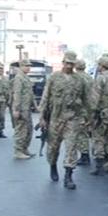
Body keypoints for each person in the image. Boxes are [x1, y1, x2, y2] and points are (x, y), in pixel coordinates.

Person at [39, 51, 88, 189]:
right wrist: (42, 117)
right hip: (55, 118)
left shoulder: (79, 80)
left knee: (71, 146)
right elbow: (45, 97)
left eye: (71, 63)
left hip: (72, 118)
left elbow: (86, 99)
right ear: (63, 62)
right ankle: (53, 165)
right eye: (67, 63)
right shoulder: (54, 78)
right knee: (53, 148)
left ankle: (68, 176)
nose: (69, 66)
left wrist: (87, 117)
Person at [11, 59, 36, 159]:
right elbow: (17, 94)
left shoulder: (26, 77)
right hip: (21, 109)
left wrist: (35, 105)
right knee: (21, 130)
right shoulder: (19, 78)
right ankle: (18, 151)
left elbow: (30, 93)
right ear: (21, 66)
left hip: (27, 108)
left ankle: (25, 149)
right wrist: (16, 109)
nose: (28, 67)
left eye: (29, 65)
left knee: (29, 129)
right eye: (26, 65)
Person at [74, 59, 93, 165]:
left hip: (79, 109)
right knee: (85, 132)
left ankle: (84, 155)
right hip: (88, 109)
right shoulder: (89, 78)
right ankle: (85, 154)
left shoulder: (76, 78)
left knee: (80, 133)